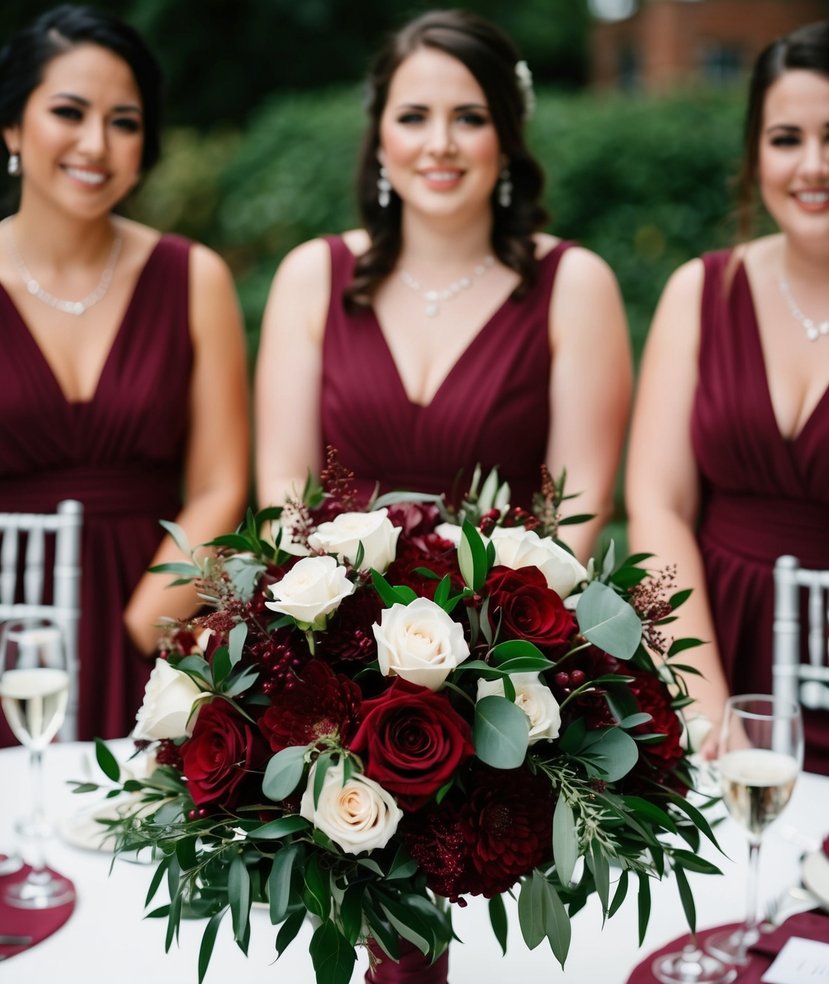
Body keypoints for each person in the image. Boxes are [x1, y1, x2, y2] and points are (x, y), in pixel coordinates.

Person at [255, 8, 631, 563]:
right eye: (412, 117)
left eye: (469, 118)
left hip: (505, 636)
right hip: (333, 629)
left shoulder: (576, 285)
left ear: (506, 135)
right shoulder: (311, 276)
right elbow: (284, 496)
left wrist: (492, 641)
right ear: (380, 136)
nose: (440, 143)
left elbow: (573, 516)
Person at [0, 5, 249, 743]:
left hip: (154, 613)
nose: (95, 144)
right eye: (68, 112)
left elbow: (220, 484)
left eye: (125, 121)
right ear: (12, 127)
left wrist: (146, 626)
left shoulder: (192, 276)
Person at [625, 20, 829, 773]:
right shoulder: (701, 292)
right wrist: (704, 707)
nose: (812, 166)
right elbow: (657, 504)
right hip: (710, 656)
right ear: (753, 153)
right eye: (785, 138)